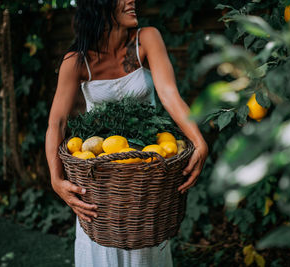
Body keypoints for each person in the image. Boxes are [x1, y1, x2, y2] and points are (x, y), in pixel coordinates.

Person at [45, 0, 209, 266]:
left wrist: (199, 141)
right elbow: (57, 123)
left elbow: (169, 94)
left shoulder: (146, 39)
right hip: (102, 182)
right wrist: (55, 179)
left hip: (146, 177)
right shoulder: (77, 61)